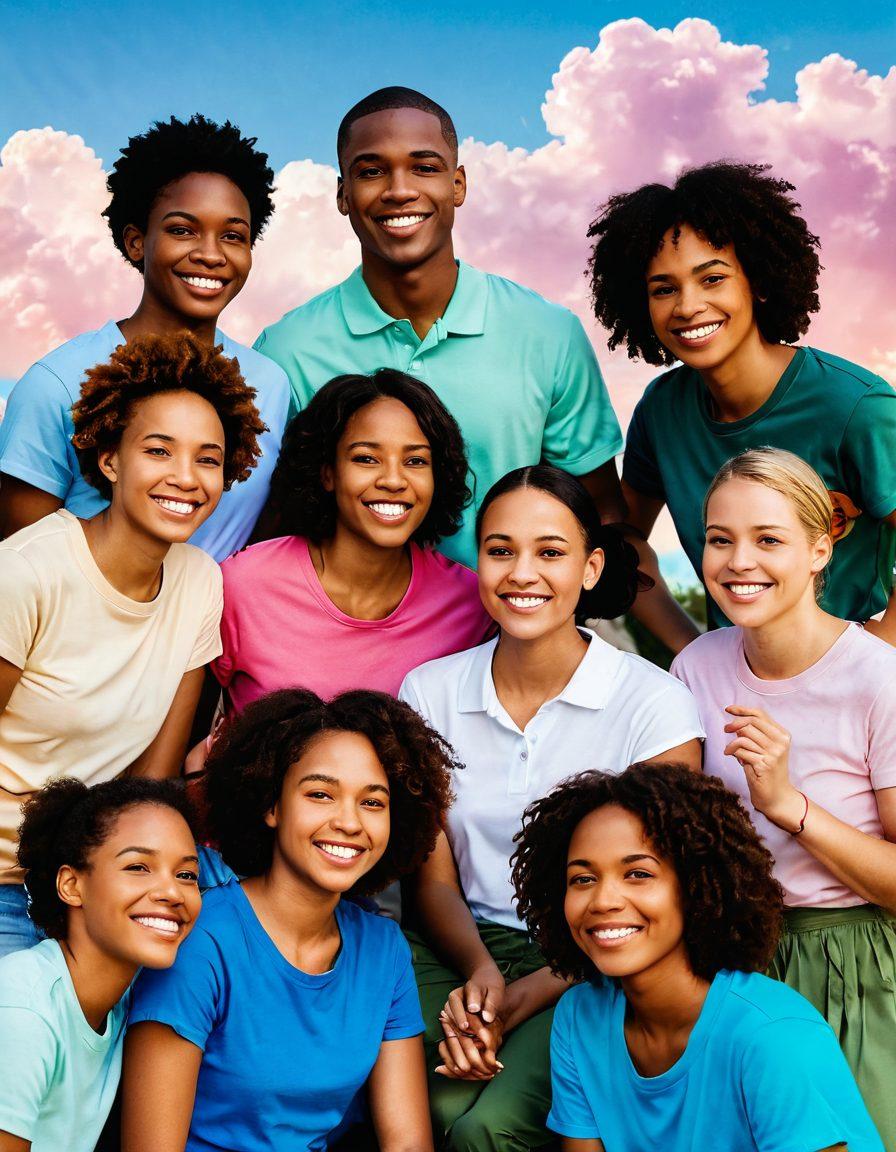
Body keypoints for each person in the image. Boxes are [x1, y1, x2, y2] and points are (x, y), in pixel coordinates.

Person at [254, 87, 692, 650]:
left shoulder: (547, 334)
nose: (399, 189)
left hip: (513, 651)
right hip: (344, 652)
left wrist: (689, 654)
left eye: (424, 167)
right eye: (371, 171)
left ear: (458, 184)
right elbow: (268, 529)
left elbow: (602, 517)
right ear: (343, 194)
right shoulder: (286, 351)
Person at [398, 465, 703, 1151]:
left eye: (551, 552)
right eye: (500, 550)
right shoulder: (428, 692)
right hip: (456, 948)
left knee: (486, 1129)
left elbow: (652, 897)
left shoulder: (654, 705)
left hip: (595, 960)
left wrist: (528, 991)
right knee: (436, 1106)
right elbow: (434, 882)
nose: (522, 573)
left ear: (591, 568)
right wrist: (480, 973)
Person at [0, 332, 263, 956]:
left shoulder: (199, 582)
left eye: (207, 459)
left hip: (102, 875)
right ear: (110, 459)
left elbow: (153, 779)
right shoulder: (26, 572)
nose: (185, 478)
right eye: (158, 451)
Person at [671, 447, 896, 1145]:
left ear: (820, 549)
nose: (740, 561)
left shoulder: (879, 679)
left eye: (768, 539)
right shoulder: (695, 668)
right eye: (720, 539)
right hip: (731, 963)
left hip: (857, 961)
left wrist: (788, 806)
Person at [123, 687, 456, 1152]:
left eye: (373, 802)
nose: (349, 822)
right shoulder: (200, 940)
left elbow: (406, 1143)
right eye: (321, 794)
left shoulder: (384, 949)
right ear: (272, 806)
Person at [588, 160, 896, 645]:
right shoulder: (661, 411)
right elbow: (622, 544)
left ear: (758, 279)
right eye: (664, 289)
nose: (688, 306)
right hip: (734, 685)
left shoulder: (857, 407)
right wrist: (693, 655)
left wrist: (871, 660)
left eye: (712, 278)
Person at [511, 763, 884, 1152]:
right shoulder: (579, 1017)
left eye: (638, 874)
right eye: (583, 879)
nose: (603, 901)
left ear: (696, 886)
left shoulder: (772, 1035)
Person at [0, 113, 290, 561]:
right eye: (182, 230)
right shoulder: (55, 385)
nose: (211, 254)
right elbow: (21, 564)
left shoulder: (269, 385)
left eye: (233, 236)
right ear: (136, 241)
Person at [213, 368, 493, 712]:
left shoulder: (471, 605)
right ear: (327, 472)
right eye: (366, 458)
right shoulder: (243, 585)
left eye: (415, 461)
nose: (394, 480)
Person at [0, 776, 201, 1152]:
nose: (173, 892)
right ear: (71, 885)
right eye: (138, 867)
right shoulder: (23, 1009)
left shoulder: (121, 1001)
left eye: (186, 875)